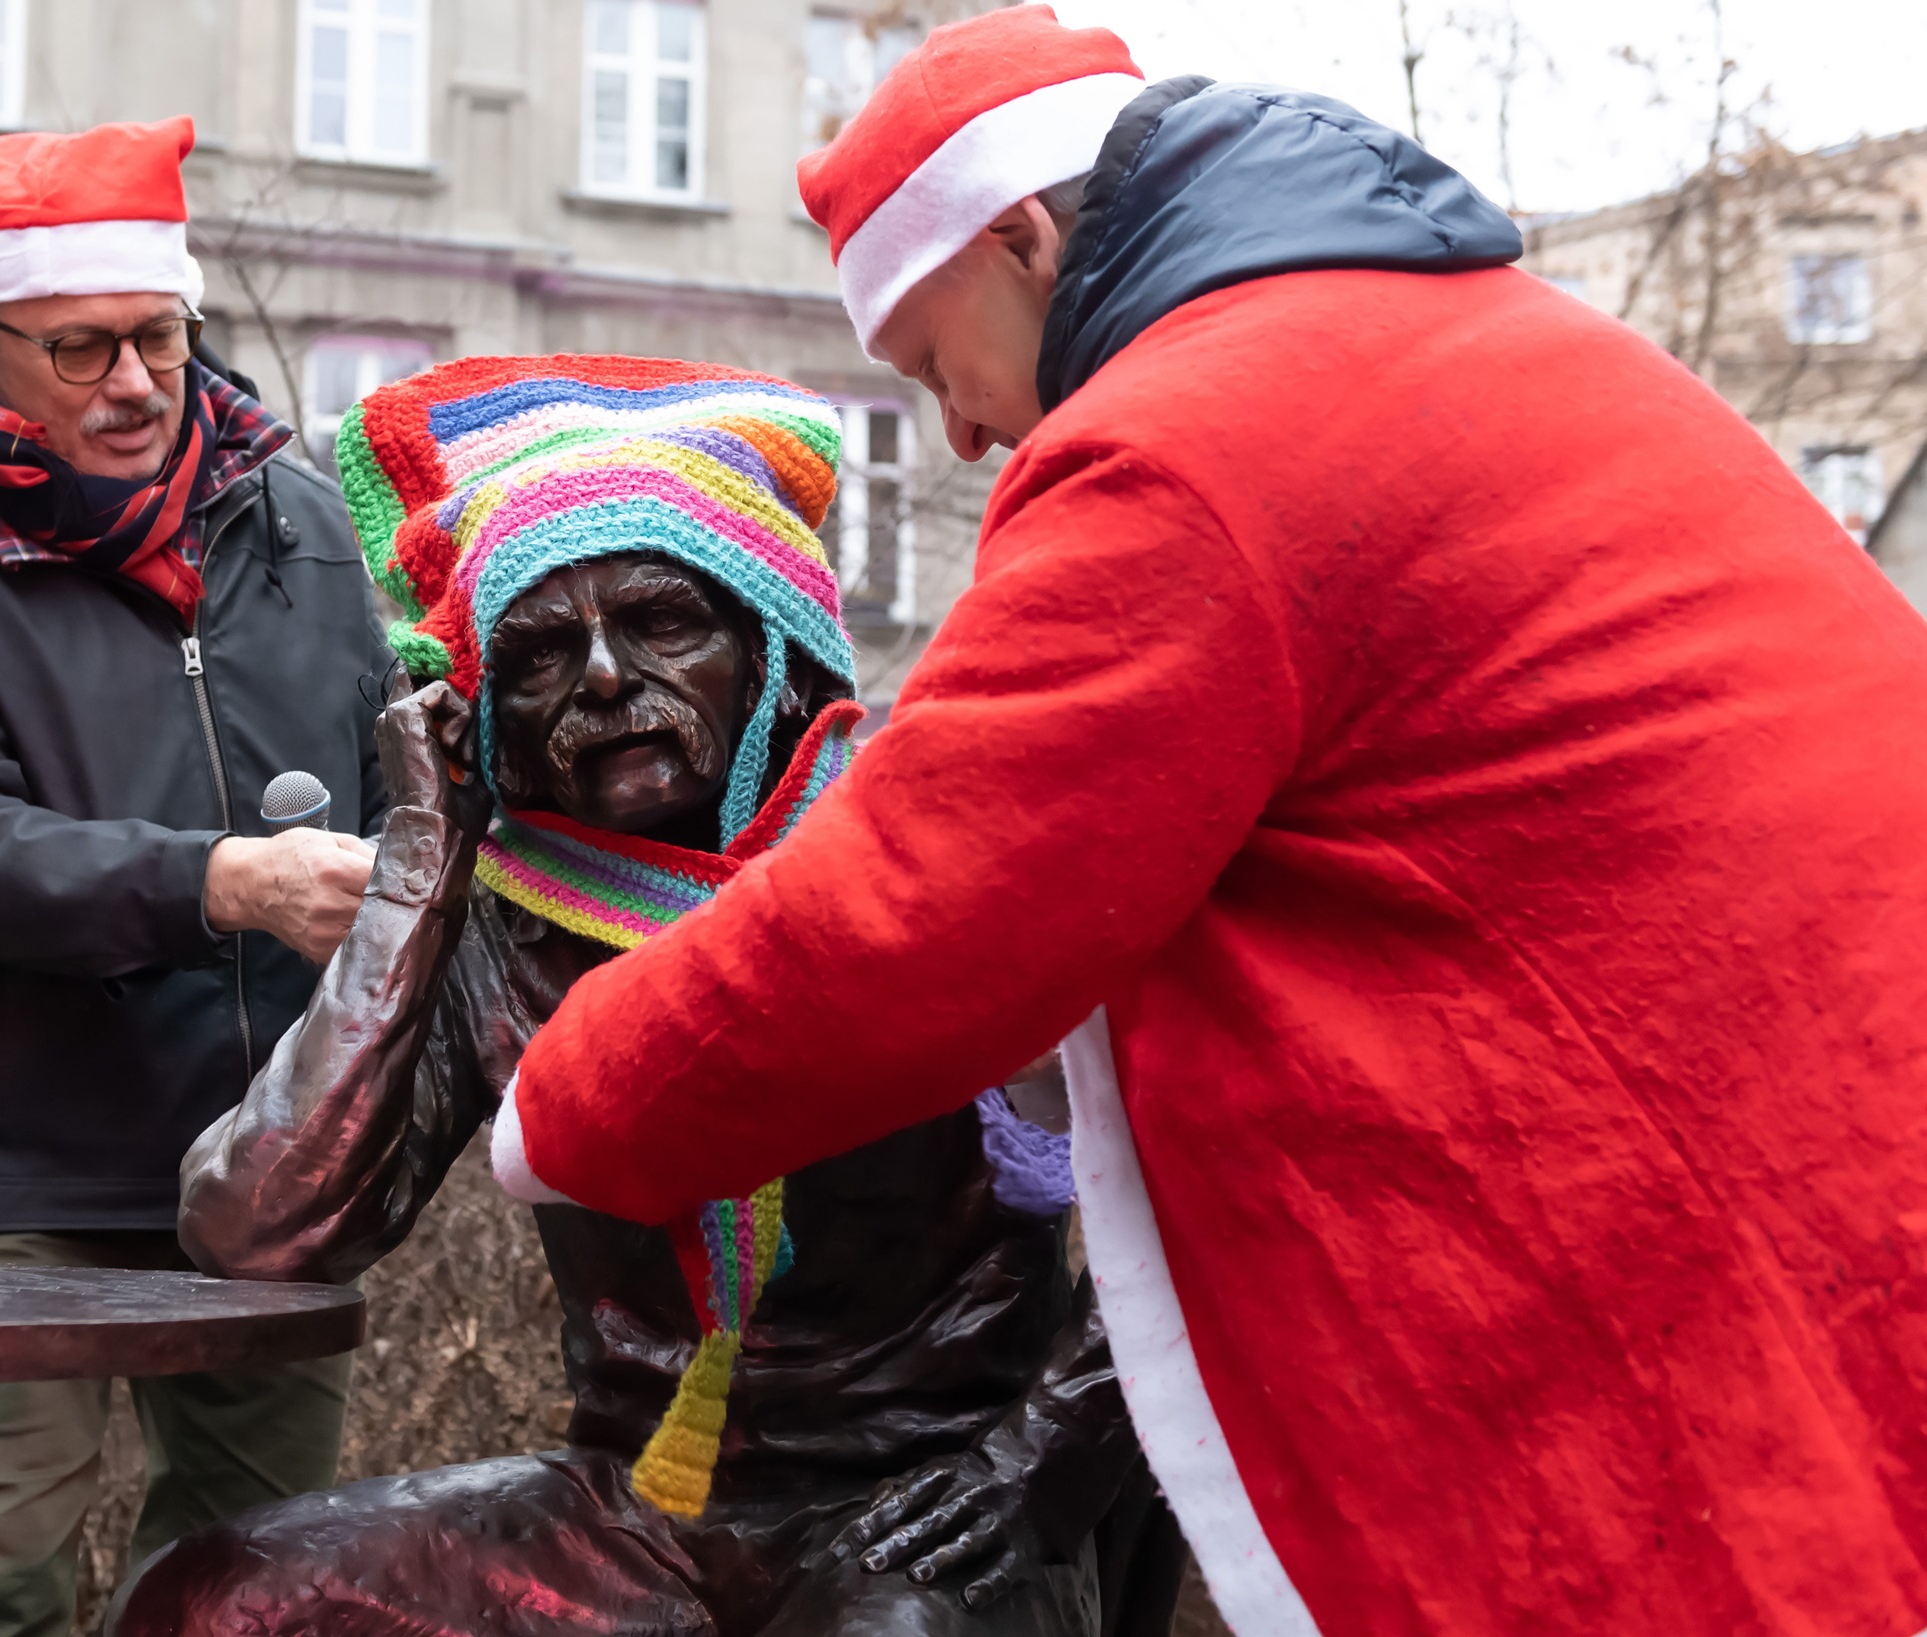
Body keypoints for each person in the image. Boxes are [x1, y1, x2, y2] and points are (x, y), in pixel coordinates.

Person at [482, 11, 1927, 1637]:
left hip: (1674, 1178)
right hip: (1830, 1115)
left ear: (1019, 236)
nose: (955, 431)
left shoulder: (1186, 443)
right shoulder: (1482, 333)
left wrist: (556, 1106)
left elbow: (911, 918)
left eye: (926, 357)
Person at [105, 357, 1183, 1637]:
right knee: (214, 1605)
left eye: (661, 619)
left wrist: (1029, 1473)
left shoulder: (940, 854)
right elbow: (257, 1231)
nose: (604, 678)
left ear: (772, 651)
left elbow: (1198, 1206)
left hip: (924, 1502)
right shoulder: (508, 923)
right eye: (542, 651)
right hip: (629, 1516)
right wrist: (419, 859)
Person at [0, 116, 386, 1637]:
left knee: (253, 1579)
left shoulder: (298, 514)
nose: (131, 382)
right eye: (77, 349)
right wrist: (224, 883)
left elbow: (396, 770)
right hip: (26, 1172)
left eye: (157, 335)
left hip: (271, 1157)